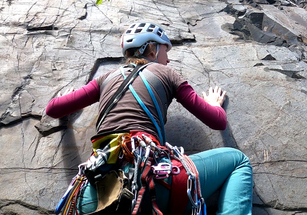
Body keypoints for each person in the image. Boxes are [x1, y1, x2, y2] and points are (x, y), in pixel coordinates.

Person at [46, 21, 253, 215]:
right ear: (152, 49)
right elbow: (218, 121)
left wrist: (65, 100)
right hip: (154, 182)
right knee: (238, 161)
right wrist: (214, 105)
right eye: (165, 50)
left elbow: (53, 109)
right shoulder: (167, 73)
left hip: (96, 191)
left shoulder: (105, 78)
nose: (168, 59)